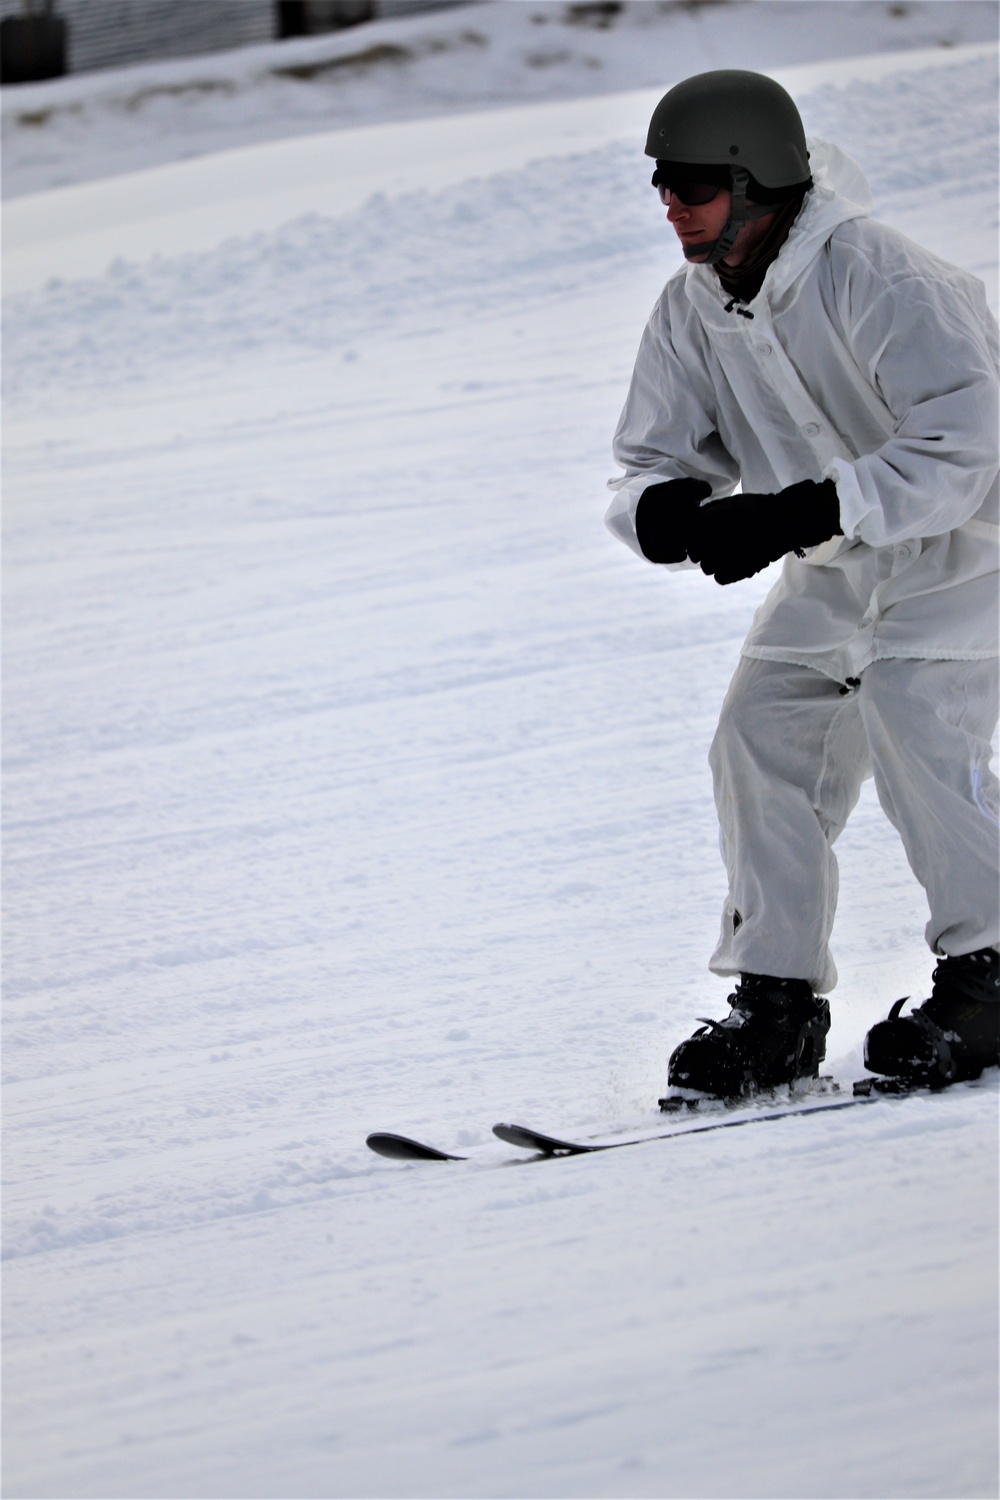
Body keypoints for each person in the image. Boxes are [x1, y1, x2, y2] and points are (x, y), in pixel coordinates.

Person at [605, 69, 1000, 1100]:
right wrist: (662, 512)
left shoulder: (881, 276)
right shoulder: (693, 307)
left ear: (753, 178)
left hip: (972, 548)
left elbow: (968, 448)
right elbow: (653, 457)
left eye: (690, 184)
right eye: (660, 185)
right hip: (839, 565)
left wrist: (798, 511)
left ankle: (991, 973)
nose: (670, 206)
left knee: (917, 714)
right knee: (758, 733)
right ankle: (774, 1009)